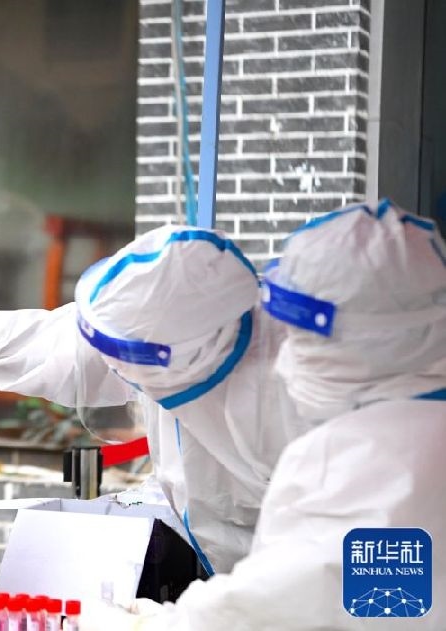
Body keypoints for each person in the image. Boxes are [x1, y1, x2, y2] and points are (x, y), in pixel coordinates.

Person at [75, 201, 446, 629]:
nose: (286, 359)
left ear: (381, 340)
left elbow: (292, 603)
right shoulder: (403, 427)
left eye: (307, 339)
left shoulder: (365, 455)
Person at [0, 225, 309, 576]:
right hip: (212, 554)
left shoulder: (291, 385)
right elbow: (62, 344)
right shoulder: (166, 325)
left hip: (288, 569)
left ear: (175, 355)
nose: (113, 368)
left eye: (127, 360)